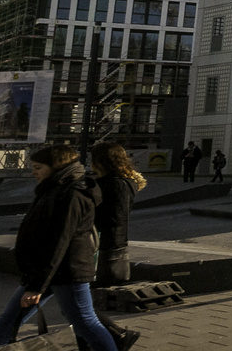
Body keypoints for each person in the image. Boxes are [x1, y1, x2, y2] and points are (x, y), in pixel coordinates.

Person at [0, 145, 117, 351]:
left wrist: (37, 285)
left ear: (56, 167)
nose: (33, 172)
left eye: (38, 167)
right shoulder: (55, 188)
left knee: (86, 325)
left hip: (67, 272)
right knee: (2, 327)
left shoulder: (73, 193)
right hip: (46, 271)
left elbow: (59, 241)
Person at [87, 142, 145, 351]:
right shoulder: (126, 182)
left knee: (82, 305)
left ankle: (118, 335)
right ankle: (109, 337)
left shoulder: (110, 184)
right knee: (80, 304)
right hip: (114, 245)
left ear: (100, 161)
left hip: (102, 248)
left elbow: (112, 218)